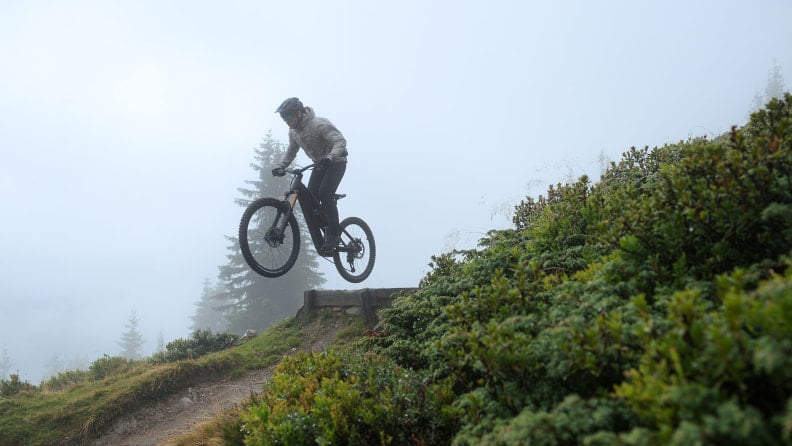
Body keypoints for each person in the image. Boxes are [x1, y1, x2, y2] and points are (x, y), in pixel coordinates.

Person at [272, 97, 348, 255]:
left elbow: (340, 141)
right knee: (309, 197)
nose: (286, 121)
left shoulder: (318, 124)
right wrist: (281, 166)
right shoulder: (293, 132)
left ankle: (333, 235)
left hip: (336, 161)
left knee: (324, 193)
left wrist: (330, 157)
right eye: (283, 118)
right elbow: (291, 151)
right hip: (319, 164)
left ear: (299, 113)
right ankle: (325, 223)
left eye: (288, 117)